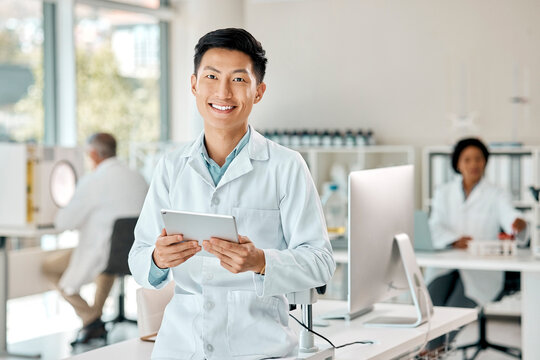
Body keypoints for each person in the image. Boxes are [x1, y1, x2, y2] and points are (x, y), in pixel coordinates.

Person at [129, 28, 336, 360]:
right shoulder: (171, 166)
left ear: (259, 92)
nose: (223, 92)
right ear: (194, 84)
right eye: (212, 76)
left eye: (239, 80)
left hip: (258, 347)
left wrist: (262, 261)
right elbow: (139, 256)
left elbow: (321, 262)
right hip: (181, 348)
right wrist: (157, 259)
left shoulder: (285, 166)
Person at [42, 133, 148, 345]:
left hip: (103, 252)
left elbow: (64, 222)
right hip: (129, 254)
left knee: (49, 268)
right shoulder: (138, 177)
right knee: (107, 266)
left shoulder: (94, 181)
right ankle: (94, 320)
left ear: (93, 154)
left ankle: (91, 318)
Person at [428, 137, 528, 308]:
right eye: (467, 159)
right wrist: (453, 240)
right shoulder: (443, 192)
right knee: (429, 309)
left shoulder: (496, 194)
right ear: (457, 164)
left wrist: (518, 222)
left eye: (478, 158)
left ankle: (443, 337)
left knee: (454, 315)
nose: (473, 164)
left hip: (481, 269)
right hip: (447, 265)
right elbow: (434, 226)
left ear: (485, 162)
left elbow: (509, 215)